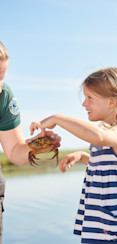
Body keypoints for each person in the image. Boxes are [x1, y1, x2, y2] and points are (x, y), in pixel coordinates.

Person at [30, 67, 117, 243]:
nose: (84, 104)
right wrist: (83, 156)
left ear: (111, 102)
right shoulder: (105, 133)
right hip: (99, 223)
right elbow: (110, 168)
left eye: (90, 98)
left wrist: (58, 119)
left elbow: (98, 137)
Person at [0, 41, 61, 243]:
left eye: (2, 75)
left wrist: (40, 143)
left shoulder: (4, 95)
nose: (0, 84)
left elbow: (15, 152)